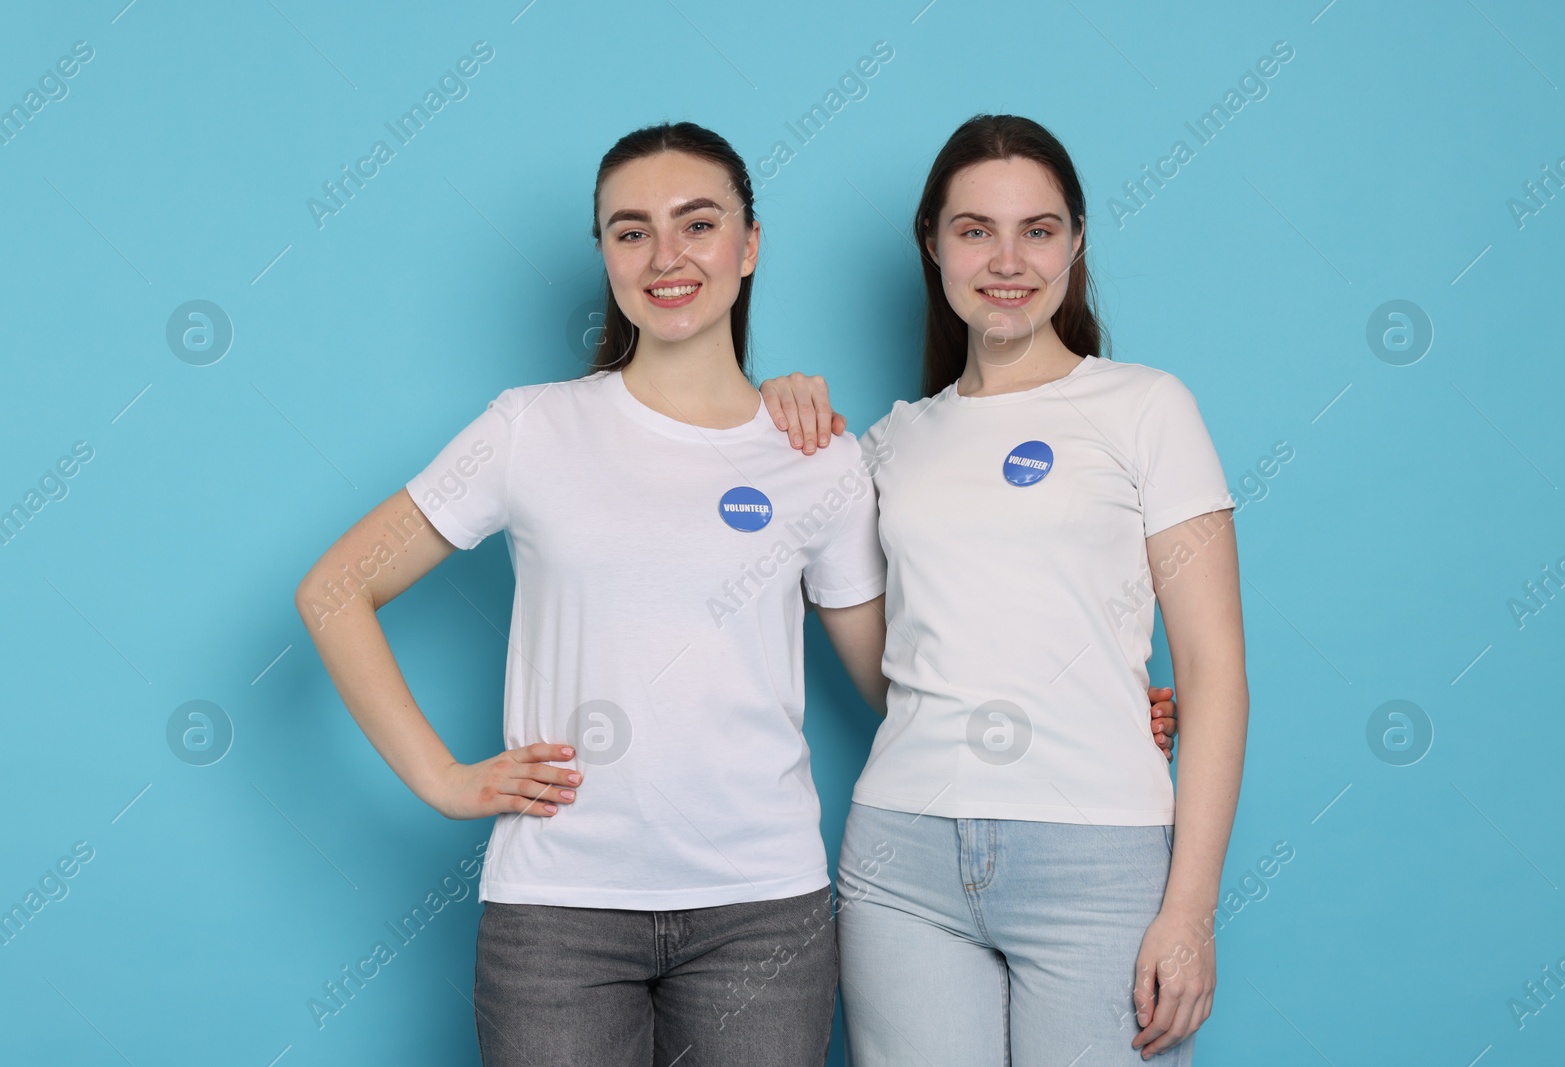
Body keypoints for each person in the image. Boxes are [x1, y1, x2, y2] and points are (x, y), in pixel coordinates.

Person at [296, 120, 1178, 1067]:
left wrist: (1080, 704)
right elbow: (333, 589)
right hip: (559, 915)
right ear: (605, 254)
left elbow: (904, 678)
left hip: (764, 916)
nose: (666, 256)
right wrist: (441, 777)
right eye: (631, 231)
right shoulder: (532, 429)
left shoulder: (820, 459)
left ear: (749, 244)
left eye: (698, 223)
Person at [758, 113, 1248, 1065]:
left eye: (1040, 229)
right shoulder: (890, 444)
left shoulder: (1147, 408)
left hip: (1099, 858)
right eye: (975, 229)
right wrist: (778, 415)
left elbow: (1214, 670)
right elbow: (898, 673)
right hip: (902, 859)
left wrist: (1189, 907)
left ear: (1075, 242)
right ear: (932, 243)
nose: (1007, 259)